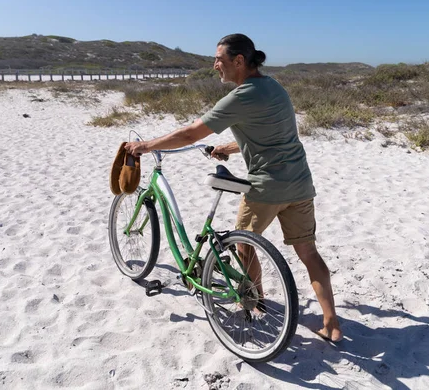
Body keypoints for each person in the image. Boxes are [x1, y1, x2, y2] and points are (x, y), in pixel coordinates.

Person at [124, 33, 342, 342]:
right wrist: (229, 146)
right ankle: (331, 324)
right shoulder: (274, 87)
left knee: (244, 243)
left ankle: (255, 301)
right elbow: (273, 135)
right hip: (300, 183)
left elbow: (189, 134)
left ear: (239, 61)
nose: (214, 66)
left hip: (268, 186)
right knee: (309, 253)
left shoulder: (240, 96)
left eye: (219, 60)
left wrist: (145, 145)